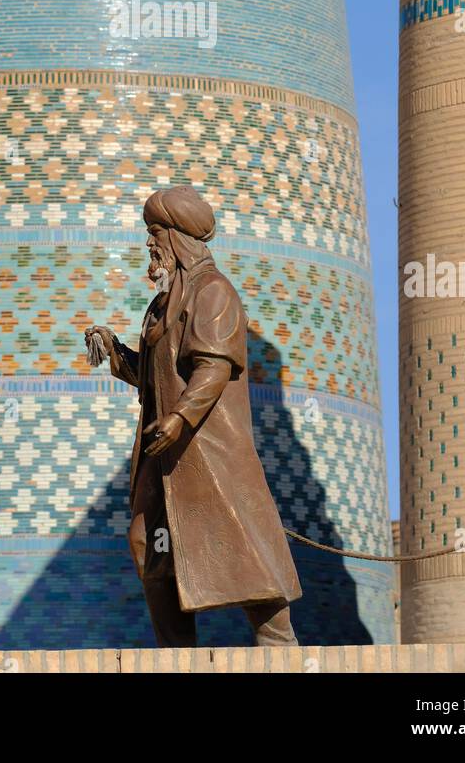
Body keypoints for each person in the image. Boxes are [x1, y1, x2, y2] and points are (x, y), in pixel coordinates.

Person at [85, 183, 301, 647]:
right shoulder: (162, 304)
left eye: (156, 233)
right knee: (151, 546)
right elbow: (157, 376)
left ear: (179, 238)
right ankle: (176, 654)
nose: (149, 244)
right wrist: (116, 352)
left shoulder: (213, 292)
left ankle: (279, 646)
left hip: (209, 450)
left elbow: (214, 367)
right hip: (164, 456)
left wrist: (181, 418)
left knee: (245, 548)